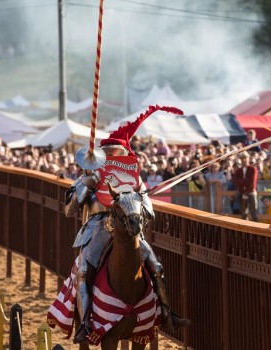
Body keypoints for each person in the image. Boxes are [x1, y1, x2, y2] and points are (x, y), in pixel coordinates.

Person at [58, 107, 189, 343]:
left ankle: (167, 313)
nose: (112, 156)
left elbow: (149, 209)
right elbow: (69, 209)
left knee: (156, 266)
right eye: (108, 153)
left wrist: (134, 203)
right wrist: (88, 182)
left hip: (128, 228)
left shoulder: (134, 180)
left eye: (116, 152)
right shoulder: (90, 175)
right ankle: (86, 322)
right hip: (99, 227)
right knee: (85, 270)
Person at [232, 153, 259, 221]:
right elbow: (236, 181)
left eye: (245, 158)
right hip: (241, 192)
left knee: (253, 212)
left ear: (248, 159)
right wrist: (245, 182)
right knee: (243, 213)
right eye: (242, 158)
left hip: (250, 192)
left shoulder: (253, 169)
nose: (243, 160)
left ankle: (256, 228)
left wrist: (245, 189)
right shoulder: (238, 171)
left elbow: (252, 182)